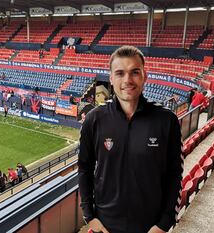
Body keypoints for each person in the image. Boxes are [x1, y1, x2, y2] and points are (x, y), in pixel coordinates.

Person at [78, 46, 183, 233]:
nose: (127, 80)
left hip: (150, 228)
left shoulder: (166, 120)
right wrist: (90, 216)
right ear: (111, 78)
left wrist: (164, 224)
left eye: (135, 72)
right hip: (105, 226)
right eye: (119, 73)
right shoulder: (94, 119)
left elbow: (175, 174)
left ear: (145, 75)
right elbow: (84, 168)